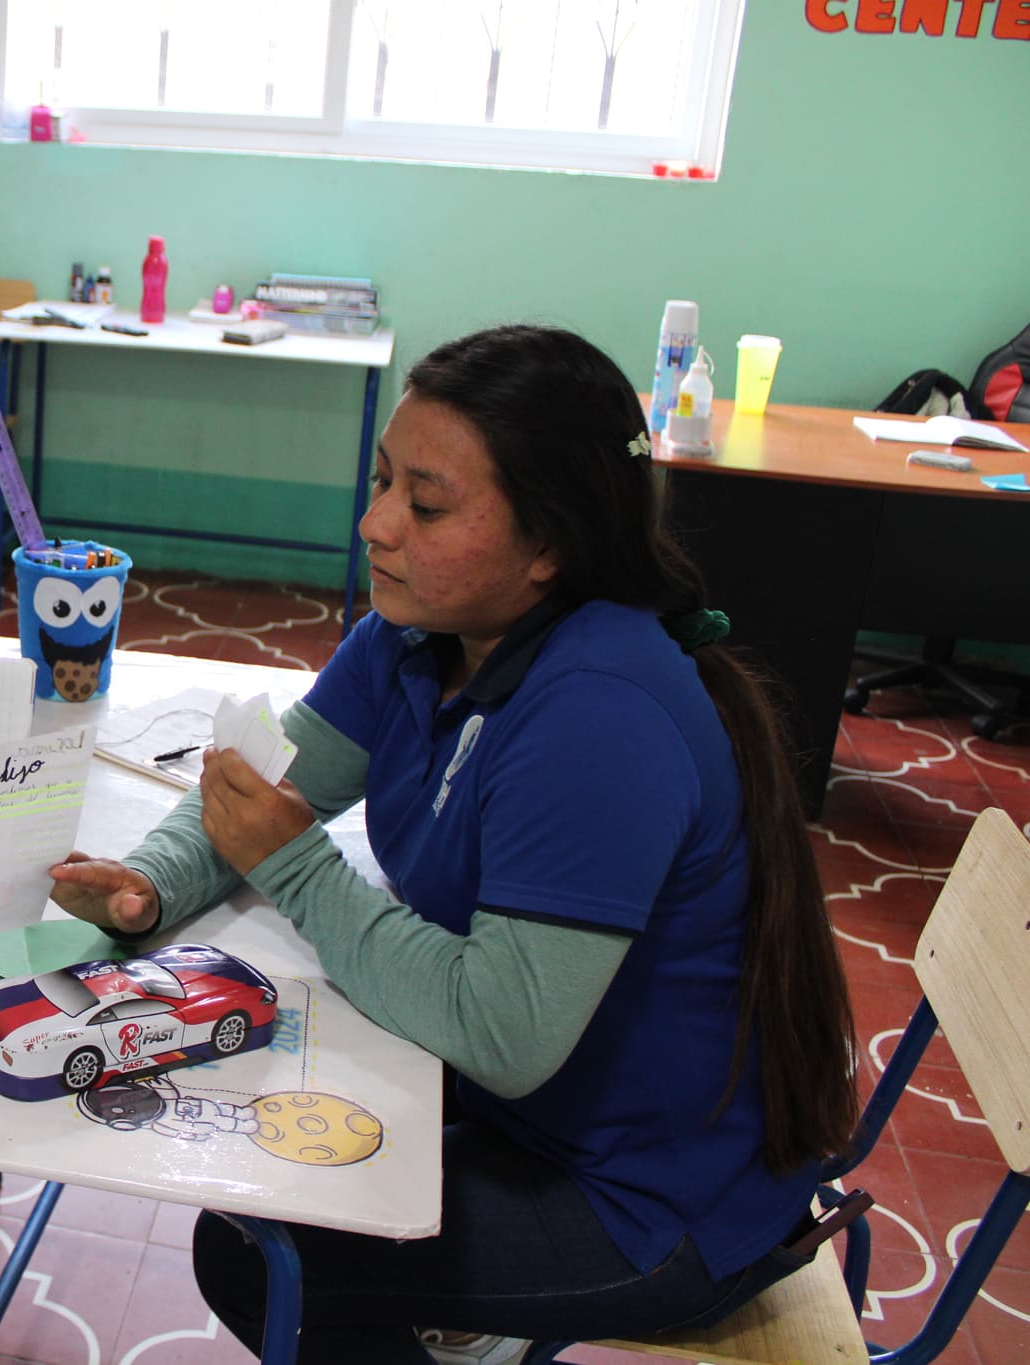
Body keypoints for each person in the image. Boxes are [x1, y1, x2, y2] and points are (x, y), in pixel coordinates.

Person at [48, 325, 858, 1364]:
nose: (374, 524)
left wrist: (292, 864)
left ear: (549, 544)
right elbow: (270, 787)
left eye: (424, 505)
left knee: (259, 1256)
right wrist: (148, 886)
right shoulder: (413, 633)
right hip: (517, 1110)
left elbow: (501, 1032)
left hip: (642, 1193)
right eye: (383, 481)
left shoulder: (597, 714)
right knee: (252, 1135)